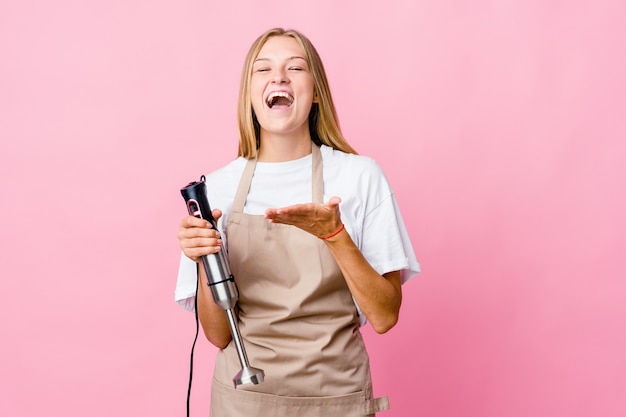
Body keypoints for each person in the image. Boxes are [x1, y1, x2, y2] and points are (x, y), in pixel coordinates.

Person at [175, 27, 420, 417]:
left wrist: (335, 235)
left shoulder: (359, 177)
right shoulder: (216, 190)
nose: (279, 77)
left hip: (336, 398)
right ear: (249, 94)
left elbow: (385, 315)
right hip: (245, 401)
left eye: (295, 67)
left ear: (316, 91)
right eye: (264, 69)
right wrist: (204, 258)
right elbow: (218, 335)